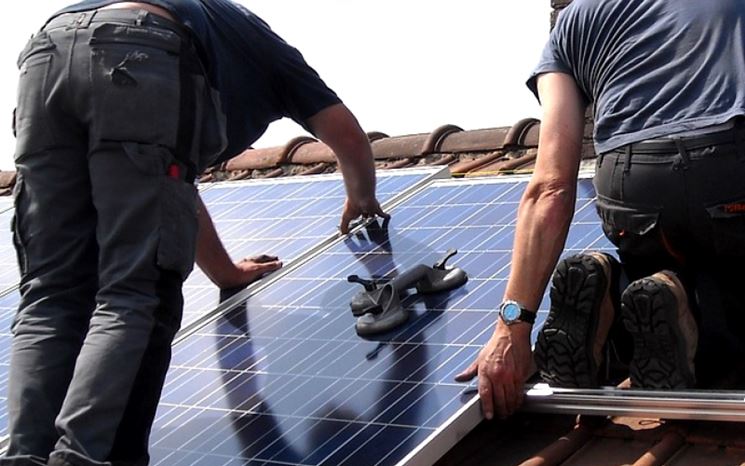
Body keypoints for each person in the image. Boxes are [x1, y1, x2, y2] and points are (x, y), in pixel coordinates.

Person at [5, 1, 387, 464]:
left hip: (46, 53)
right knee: (135, 291)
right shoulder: (271, 56)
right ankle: (83, 457)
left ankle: (25, 455)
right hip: (138, 53)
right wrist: (363, 198)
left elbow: (174, 189)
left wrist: (226, 273)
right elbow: (347, 136)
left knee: (52, 292)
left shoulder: (217, 33)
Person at [456, 0, 745, 420]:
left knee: (663, 279)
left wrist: (513, 326)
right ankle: (697, 318)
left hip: (632, 190)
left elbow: (550, 185)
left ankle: (613, 293)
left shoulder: (570, 24)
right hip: (728, 166)